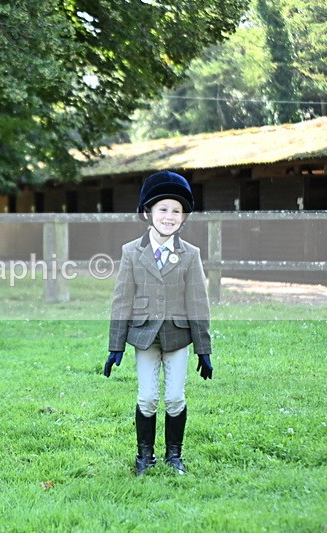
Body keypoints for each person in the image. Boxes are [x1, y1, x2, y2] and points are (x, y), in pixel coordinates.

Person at [104, 170, 213, 476]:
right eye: (163, 209)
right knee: (147, 397)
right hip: (144, 337)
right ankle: (144, 456)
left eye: (176, 211)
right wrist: (116, 346)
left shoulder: (190, 255)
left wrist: (204, 350)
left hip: (178, 337)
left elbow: (198, 303)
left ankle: (174, 456)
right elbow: (121, 300)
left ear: (183, 217)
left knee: (175, 397)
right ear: (147, 212)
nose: (169, 216)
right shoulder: (131, 252)